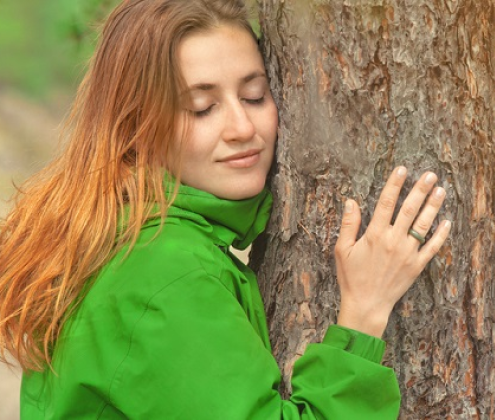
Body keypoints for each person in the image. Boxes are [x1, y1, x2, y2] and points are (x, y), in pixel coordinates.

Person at [0, 0, 451, 418]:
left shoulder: (120, 235)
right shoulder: (162, 271)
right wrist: (364, 313)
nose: (241, 127)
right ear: (136, 124)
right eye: (201, 108)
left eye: (254, 96)